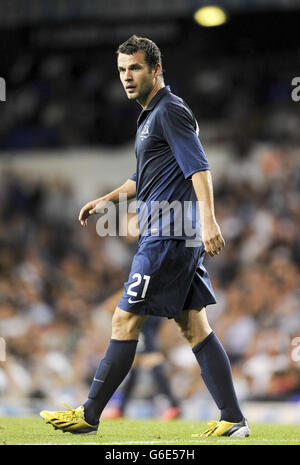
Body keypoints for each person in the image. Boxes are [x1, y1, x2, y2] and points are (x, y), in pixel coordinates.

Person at [40, 35, 250, 438]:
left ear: (156, 69)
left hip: (168, 234)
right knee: (194, 327)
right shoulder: (150, 115)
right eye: (121, 70)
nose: (127, 77)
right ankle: (233, 418)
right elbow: (143, 177)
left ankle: (89, 414)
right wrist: (107, 199)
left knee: (124, 318)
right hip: (173, 233)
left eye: (135, 68)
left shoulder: (169, 110)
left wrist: (209, 221)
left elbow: (200, 168)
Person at [99, 289, 181, 420]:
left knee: (149, 363)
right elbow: (107, 307)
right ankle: (121, 409)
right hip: (141, 330)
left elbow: (108, 307)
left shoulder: (147, 288)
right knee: (137, 367)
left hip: (144, 331)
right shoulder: (142, 287)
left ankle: (173, 406)